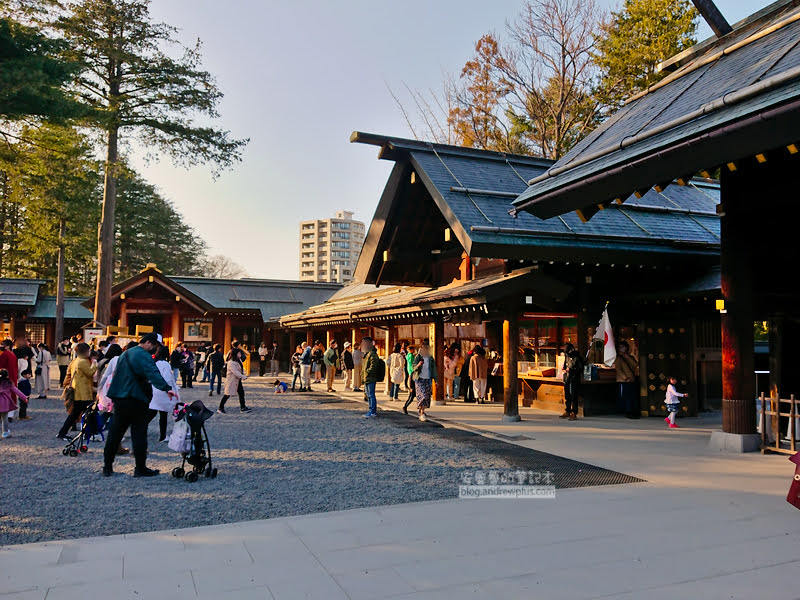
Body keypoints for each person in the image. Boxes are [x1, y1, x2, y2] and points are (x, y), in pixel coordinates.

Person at [102, 333, 176, 477]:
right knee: (139, 434)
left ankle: (107, 467)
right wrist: (166, 388)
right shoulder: (143, 355)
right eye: (155, 346)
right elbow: (153, 373)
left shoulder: (126, 353)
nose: (156, 350)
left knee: (115, 433)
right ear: (148, 342)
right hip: (136, 399)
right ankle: (140, 468)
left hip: (120, 398)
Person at [57, 343, 96, 439]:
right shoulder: (82, 362)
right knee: (88, 413)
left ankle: (64, 432)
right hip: (83, 392)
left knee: (76, 414)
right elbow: (90, 372)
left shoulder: (75, 361)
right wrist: (95, 364)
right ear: (86, 351)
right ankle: (91, 433)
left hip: (78, 391)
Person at [148, 344, 180, 443]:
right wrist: (169, 389)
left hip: (155, 389)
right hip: (163, 391)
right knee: (163, 414)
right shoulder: (165, 364)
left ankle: (139, 427)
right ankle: (162, 435)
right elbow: (167, 379)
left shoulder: (155, 363)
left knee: (152, 412)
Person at [219, 349, 251, 413]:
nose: (240, 355)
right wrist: (243, 376)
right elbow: (235, 372)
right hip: (232, 381)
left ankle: (243, 407)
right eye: (239, 353)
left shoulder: (238, 361)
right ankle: (220, 408)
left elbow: (240, 369)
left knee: (241, 393)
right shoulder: (231, 362)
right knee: (227, 394)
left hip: (237, 381)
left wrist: (243, 374)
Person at [412, 343, 437, 421]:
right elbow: (413, 367)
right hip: (419, 379)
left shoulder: (431, 359)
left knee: (426, 396)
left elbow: (434, 370)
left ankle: (421, 410)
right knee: (422, 395)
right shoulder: (418, 357)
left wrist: (436, 380)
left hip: (427, 379)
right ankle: (422, 413)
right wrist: (418, 365)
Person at [614, 341, 640, 419]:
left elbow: (636, 365)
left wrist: (628, 357)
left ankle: (633, 411)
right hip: (623, 380)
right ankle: (628, 411)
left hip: (632, 379)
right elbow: (618, 369)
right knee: (627, 397)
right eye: (621, 347)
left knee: (632, 396)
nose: (622, 349)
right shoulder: (618, 358)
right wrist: (625, 378)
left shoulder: (630, 357)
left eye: (623, 347)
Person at [0, 368, 27, 438]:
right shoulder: (9, 383)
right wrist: (24, 398)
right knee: (4, 418)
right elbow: (17, 391)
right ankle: (5, 432)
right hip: (5, 403)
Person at [561, 343, 584, 421]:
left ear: (572, 349)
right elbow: (565, 365)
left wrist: (571, 370)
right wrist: (564, 369)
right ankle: (567, 410)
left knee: (574, 395)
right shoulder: (567, 356)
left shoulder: (577, 357)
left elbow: (580, 368)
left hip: (574, 378)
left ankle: (574, 412)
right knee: (567, 395)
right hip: (567, 378)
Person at [12, 337, 34, 419]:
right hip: (23, 377)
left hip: (20, 376)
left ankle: (22, 413)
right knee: (25, 395)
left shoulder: (16, 351)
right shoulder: (22, 351)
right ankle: (22, 414)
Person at [361, 337, 381, 417]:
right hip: (367, 377)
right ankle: (370, 409)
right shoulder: (367, 354)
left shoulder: (372, 354)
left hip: (371, 377)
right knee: (368, 394)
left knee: (371, 394)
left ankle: (373, 411)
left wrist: (367, 372)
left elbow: (373, 365)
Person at [403, 346, 417, 414]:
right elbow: (412, 363)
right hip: (412, 372)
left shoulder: (408, 355)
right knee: (412, 396)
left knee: (414, 396)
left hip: (410, 371)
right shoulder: (411, 356)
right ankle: (405, 406)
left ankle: (421, 409)